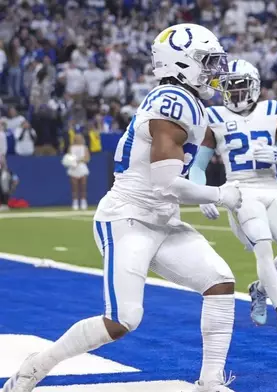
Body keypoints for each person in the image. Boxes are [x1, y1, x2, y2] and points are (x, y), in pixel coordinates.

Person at [3, 24, 242, 392]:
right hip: (128, 218)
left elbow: (176, 175)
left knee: (220, 281)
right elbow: (165, 181)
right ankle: (37, 366)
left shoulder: (189, 103)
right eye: (206, 63)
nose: (213, 71)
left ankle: (210, 381)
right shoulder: (171, 102)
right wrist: (218, 195)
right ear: (180, 64)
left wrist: (204, 188)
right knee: (122, 320)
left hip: (163, 219)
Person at [190, 59, 277, 333]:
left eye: (241, 86)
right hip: (240, 190)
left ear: (254, 86)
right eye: (230, 87)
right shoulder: (214, 117)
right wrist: (204, 194)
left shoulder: (272, 112)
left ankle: (259, 289)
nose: (236, 93)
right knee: (263, 247)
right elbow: (197, 167)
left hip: (272, 187)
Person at [64, 133, 90, 210]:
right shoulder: (71, 147)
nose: (78, 139)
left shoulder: (84, 147)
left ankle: (83, 201)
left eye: (80, 138)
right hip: (73, 168)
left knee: (83, 186)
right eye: (77, 138)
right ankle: (75, 202)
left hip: (82, 167)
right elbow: (68, 157)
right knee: (74, 186)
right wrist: (72, 162)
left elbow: (87, 158)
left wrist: (80, 160)